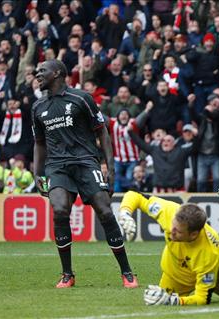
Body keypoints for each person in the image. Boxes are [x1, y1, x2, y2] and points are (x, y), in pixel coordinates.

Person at [31, 59, 137, 288]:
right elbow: (39, 143)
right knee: (59, 210)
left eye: (42, 71)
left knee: (105, 212)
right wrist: (36, 173)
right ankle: (67, 274)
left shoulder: (81, 99)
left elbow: (103, 133)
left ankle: (127, 272)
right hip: (57, 166)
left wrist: (110, 169)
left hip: (86, 162)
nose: (36, 74)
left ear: (58, 72)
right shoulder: (38, 107)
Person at [116, 191, 219, 305]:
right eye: (172, 226)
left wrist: (175, 301)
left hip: (218, 266)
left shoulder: (209, 253)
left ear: (193, 234)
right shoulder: (169, 212)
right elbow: (135, 195)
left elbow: (202, 299)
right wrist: (125, 213)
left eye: (178, 231)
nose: (172, 232)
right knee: (157, 302)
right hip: (176, 273)